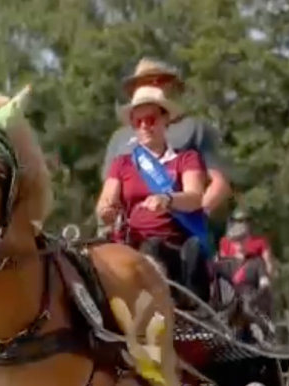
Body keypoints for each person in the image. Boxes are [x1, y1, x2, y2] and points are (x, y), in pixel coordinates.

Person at [95, 85, 209, 305]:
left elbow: (195, 197)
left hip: (176, 246)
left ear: (165, 120)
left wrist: (167, 199)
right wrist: (107, 211)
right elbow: (104, 204)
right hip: (134, 244)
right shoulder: (122, 164)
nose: (145, 126)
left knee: (183, 249)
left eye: (151, 119)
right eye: (138, 122)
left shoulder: (186, 159)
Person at [102, 58, 234, 219]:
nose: (152, 85)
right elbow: (108, 194)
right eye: (143, 82)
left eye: (158, 80)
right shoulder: (119, 137)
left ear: (170, 85)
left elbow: (219, 183)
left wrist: (197, 217)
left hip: (179, 225)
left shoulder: (195, 128)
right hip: (129, 228)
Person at [216, 208, 275, 315]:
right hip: (231, 285)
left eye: (244, 221)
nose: (241, 224)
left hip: (254, 281)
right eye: (238, 221)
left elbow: (268, 265)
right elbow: (223, 261)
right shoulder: (226, 241)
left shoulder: (260, 242)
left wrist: (263, 276)